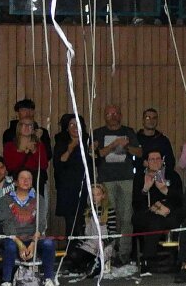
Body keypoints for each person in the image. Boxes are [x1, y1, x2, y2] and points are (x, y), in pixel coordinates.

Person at [92, 105, 142, 264]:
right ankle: (110, 253)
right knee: (109, 219)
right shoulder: (98, 133)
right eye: (109, 114)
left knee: (127, 217)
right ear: (104, 116)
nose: (112, 116)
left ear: (120, 115)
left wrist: (126, 145)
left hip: (127, 178)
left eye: (115, 113)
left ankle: (124, 254)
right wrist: (114, 145)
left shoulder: (129, 131)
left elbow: (140, 153)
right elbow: (96, 154)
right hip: (106, 179)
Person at [0, 169, 57, 286]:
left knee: (49, 243)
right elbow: (7, 224)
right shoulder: (4, 200)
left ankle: (48, 280)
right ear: (15, 182)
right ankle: (6, 283)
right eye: (22, 178)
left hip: (33, 237)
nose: (26, 181)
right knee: (9, 246)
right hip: (12, 238)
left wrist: (33, 243)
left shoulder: (38, 198)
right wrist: (20, 244)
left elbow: (41, 223)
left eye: (29, 178)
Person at [132, 149, 184, 272]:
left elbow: (180, 199)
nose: (156, 161)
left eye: (158, 159)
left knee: (173, 219)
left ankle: (174, 259)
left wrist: (165, 190)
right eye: (152, 159)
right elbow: (136, 204)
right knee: (155, 221)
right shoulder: (140, 177)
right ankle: (149, 260)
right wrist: (145, 189)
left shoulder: (173, 175)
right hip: (147, 213)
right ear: (146, 162)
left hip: (169, 211)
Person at [52, 114, 91, 256]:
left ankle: (86, 254)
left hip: (85, 186)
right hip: (68, 188)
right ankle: (71, 255)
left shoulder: (88, 140)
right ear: (67, 128)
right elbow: (59, 163)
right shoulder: (61, 141)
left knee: (85, 221)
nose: (75, 128)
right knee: (71, 222)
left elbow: (96, 161)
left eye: (78, 125)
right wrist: (71, 147)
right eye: (71, 125)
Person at [74, 183, 120, 276]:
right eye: (92, 195)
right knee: (75, 255)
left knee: (94, 270)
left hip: (104, 244)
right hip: (90, 243)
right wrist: (78, 245)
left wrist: (103, 243)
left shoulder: (109, 211)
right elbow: (84, 234)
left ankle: (97, 265)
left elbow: (112, 233)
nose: (95, 198)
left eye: (98, 195)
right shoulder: (87, 211)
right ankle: (87, 264)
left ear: (103, 195)